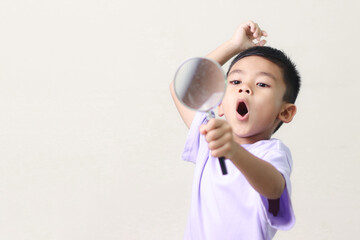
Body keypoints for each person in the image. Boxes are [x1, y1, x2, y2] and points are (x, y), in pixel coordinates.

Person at [170, 21, 301, 240]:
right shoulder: (209, 134)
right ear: (220, 103)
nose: (244, 87)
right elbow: (182, 86)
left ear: (285, 112)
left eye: (262, 84)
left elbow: (274, 188)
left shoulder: (272, 153)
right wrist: (234, 45)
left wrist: (233, 149)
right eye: (236, 80)